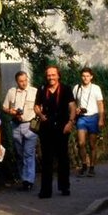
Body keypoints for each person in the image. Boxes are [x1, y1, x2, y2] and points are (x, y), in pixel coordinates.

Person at [34, 65, 76, 198]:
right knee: (46, 159)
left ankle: (64, 187)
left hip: (62, 127)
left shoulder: (66, 89)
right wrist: (40, 115)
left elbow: (72, 106)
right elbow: (36, 106)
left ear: (58, 75)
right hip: (46, 127)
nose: (50, 78)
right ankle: (46, 190)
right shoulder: (41, 89)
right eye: (48, 75)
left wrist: (70, 122)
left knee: (63, 158)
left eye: (53, 75)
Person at [2, 70, 38, 191]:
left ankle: (29, 180)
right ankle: (23, 178)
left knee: (29, 153)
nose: (23, 83)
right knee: (19, 153)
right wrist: (10, 112)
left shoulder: (34, 92)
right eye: (21, 81)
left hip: (30, 125)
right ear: (17, 81)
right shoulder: (11, 92)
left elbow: (40, 107)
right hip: (16, 125)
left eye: (25, 80)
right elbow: (4, 107)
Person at [73, 67, 105, 177]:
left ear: (91, 77)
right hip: (82, 118)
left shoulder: (96, 88)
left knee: (92, 144)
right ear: (81, 76)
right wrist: (76, 109)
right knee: (81, 143)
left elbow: (100, 104)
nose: (85, 78)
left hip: (93, 117)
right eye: (83, 76)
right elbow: (73, 103)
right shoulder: (77, 88)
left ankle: (92, 166)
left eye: (87, 76)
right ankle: (84, 164)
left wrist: (101, 119)